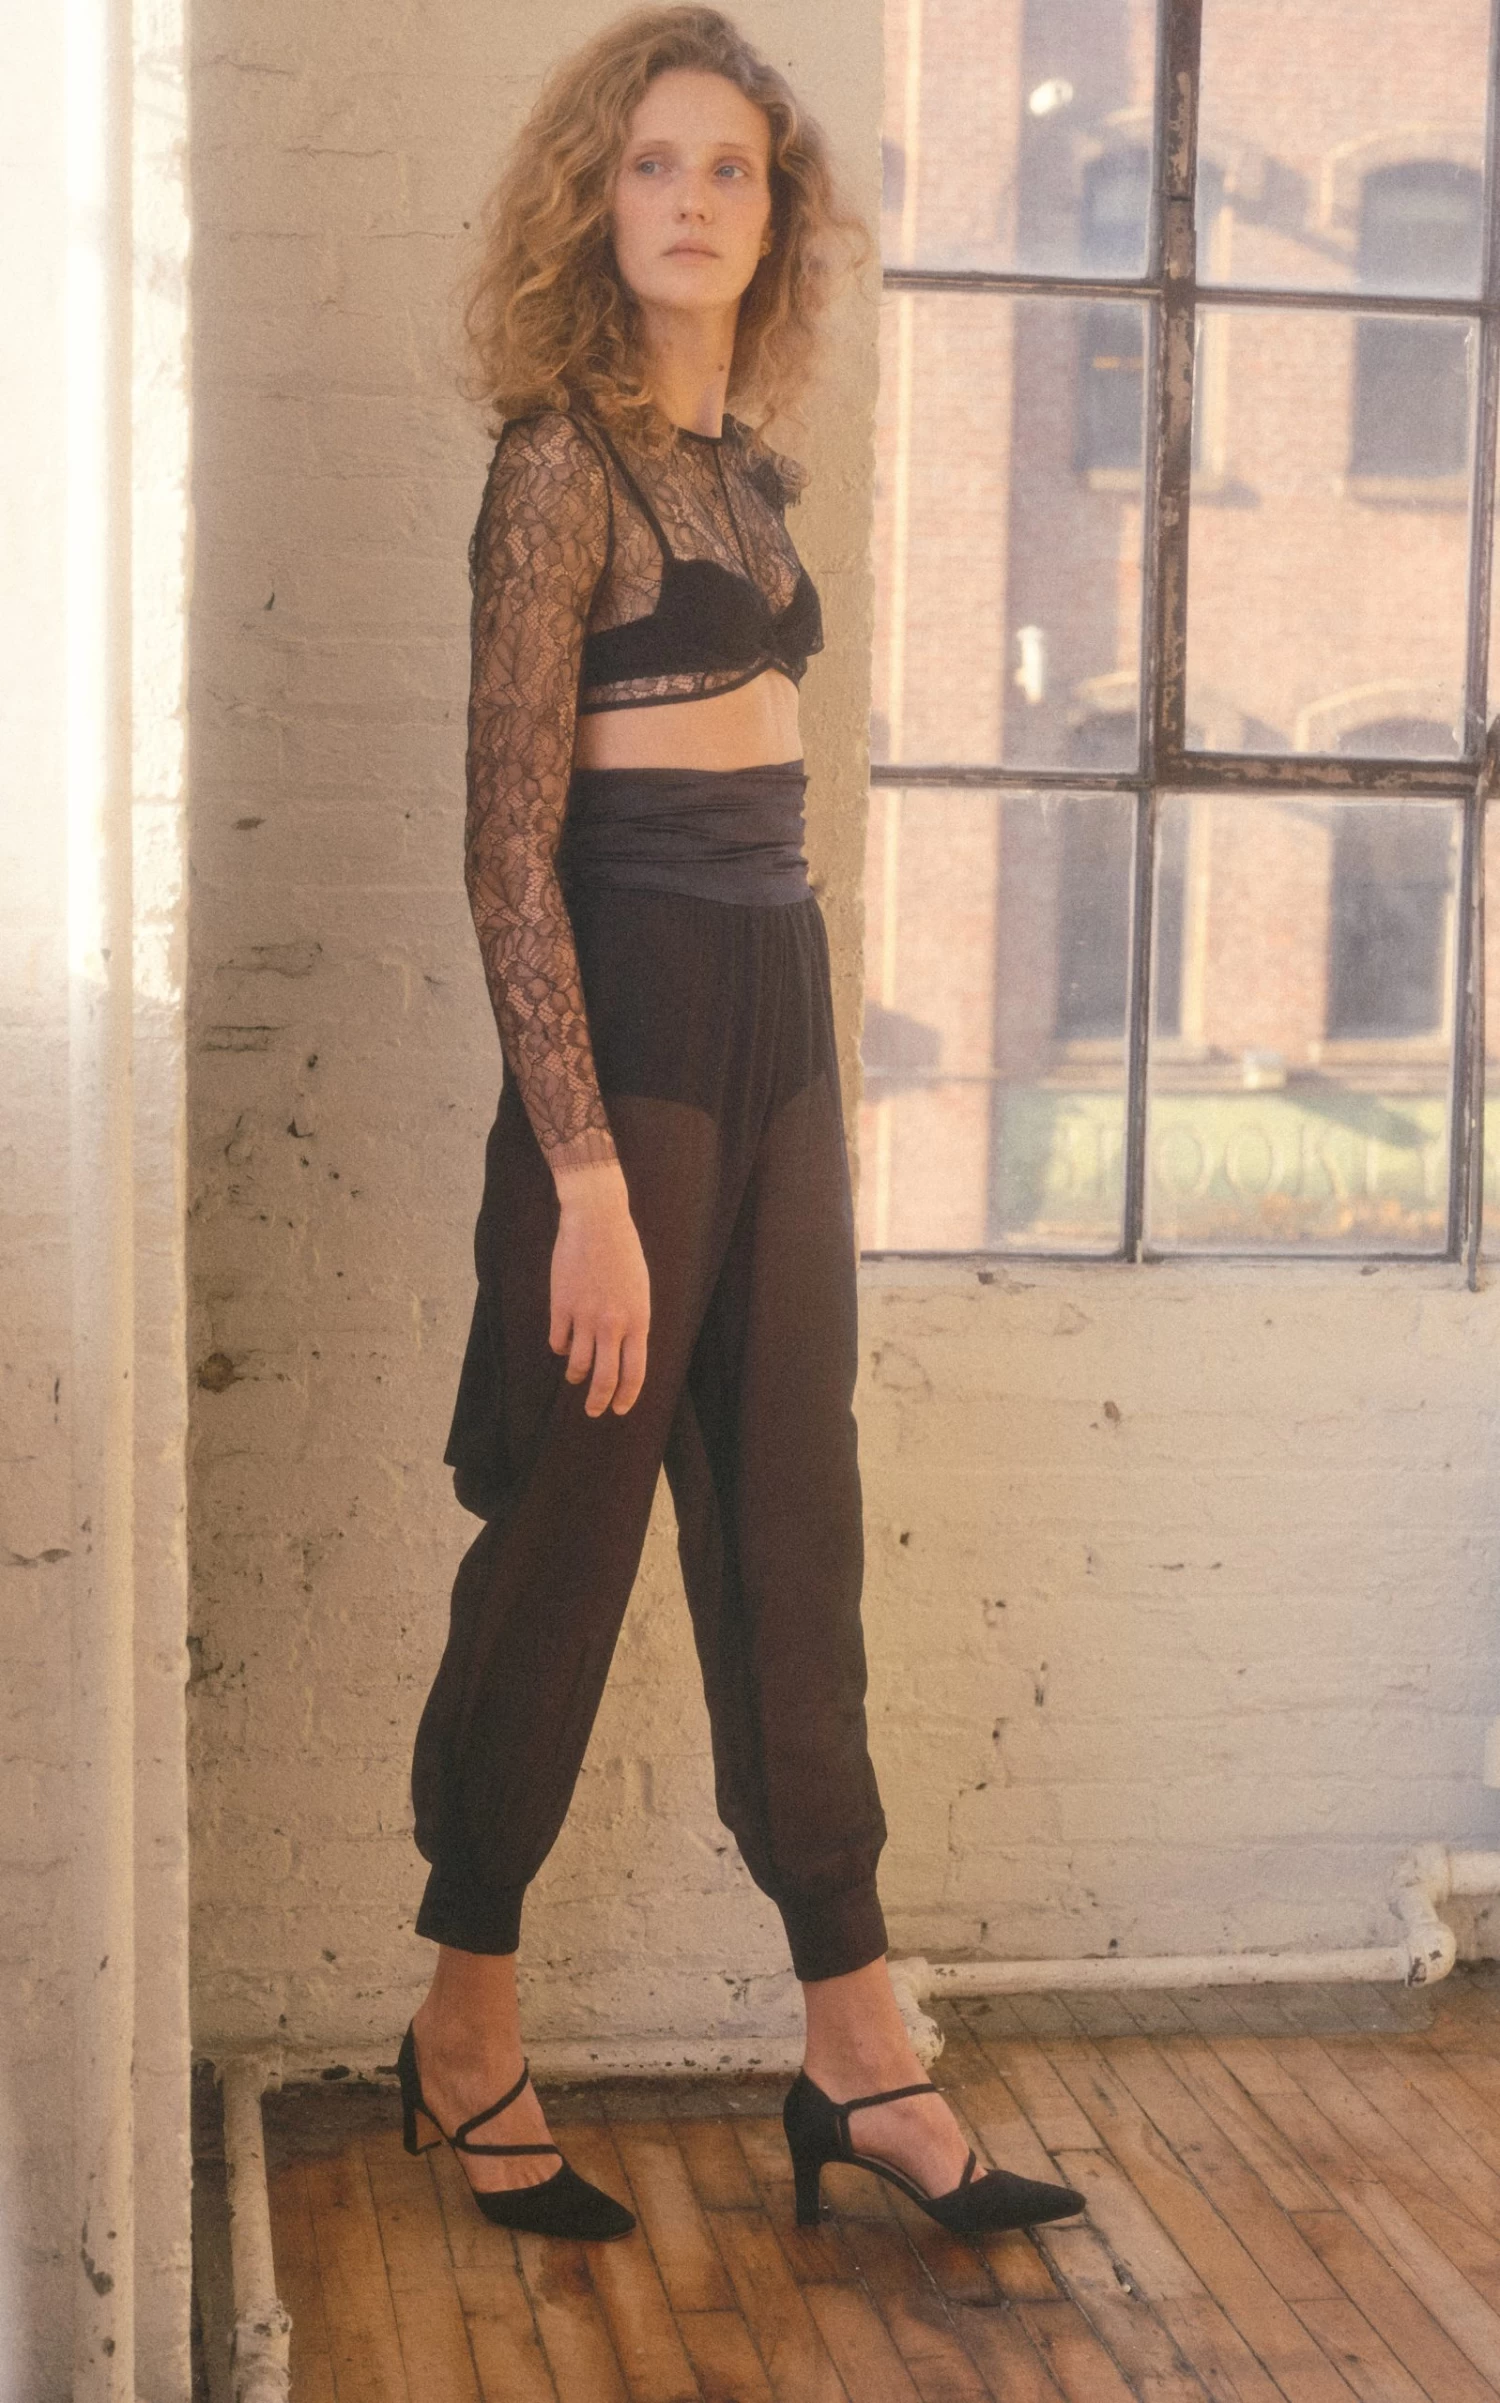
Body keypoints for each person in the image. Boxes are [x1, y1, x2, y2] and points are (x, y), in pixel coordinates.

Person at [396, 3, 1085, 2244]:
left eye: (733, 170)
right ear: (594, 198)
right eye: (654, 163)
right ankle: (466, 2028)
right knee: (573, 1529)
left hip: (778, 1021)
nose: (693, 201)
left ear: (774, 218)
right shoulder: (559, 472)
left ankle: (857, 2049)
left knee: (797, 1526)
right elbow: (508, 856)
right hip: (637, 1040)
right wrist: (584, 1176)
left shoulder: (745, 473)